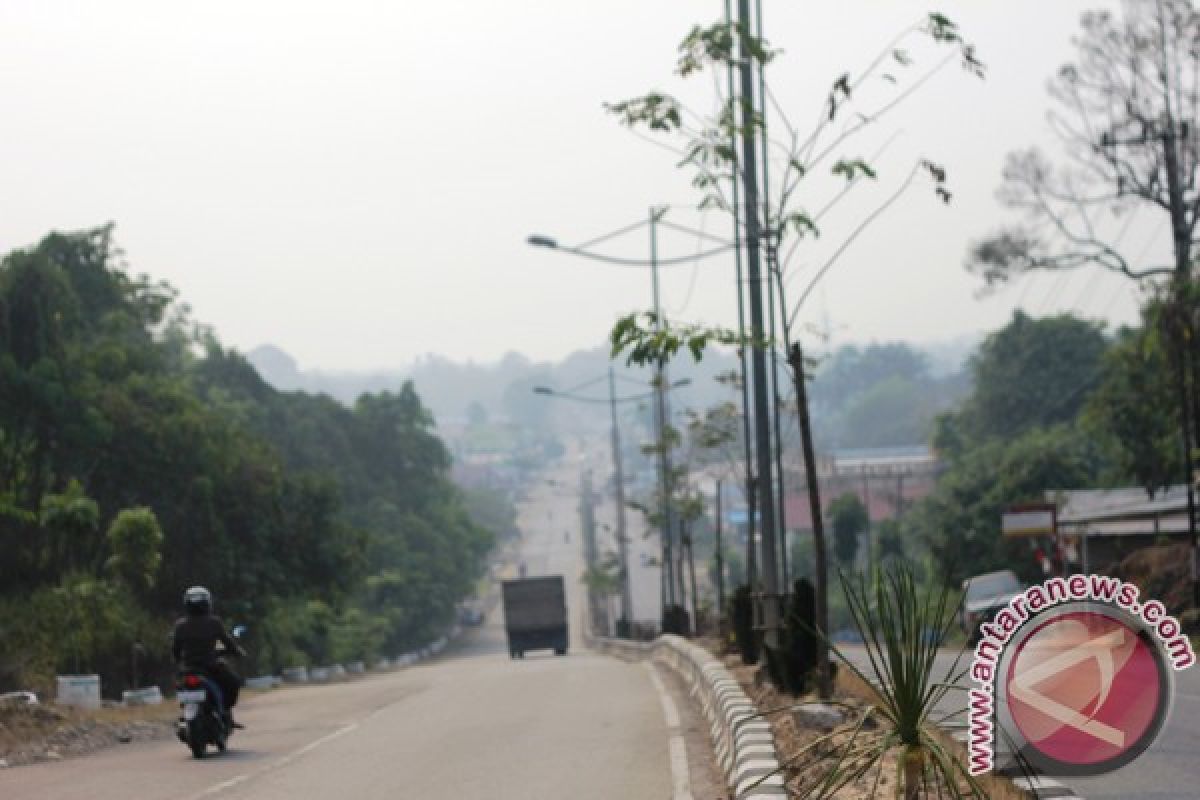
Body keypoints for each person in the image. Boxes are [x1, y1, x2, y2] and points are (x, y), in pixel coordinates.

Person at [171, 586, 246, 727]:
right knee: (233, 683)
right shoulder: (213, 622)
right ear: (207, 603)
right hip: (210, 666)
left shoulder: (180, 625)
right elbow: (228, 642)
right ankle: (225, 713)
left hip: (189, 668)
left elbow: (175, 649)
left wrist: (178, 663)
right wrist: (237, 652)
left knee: (180, 685)